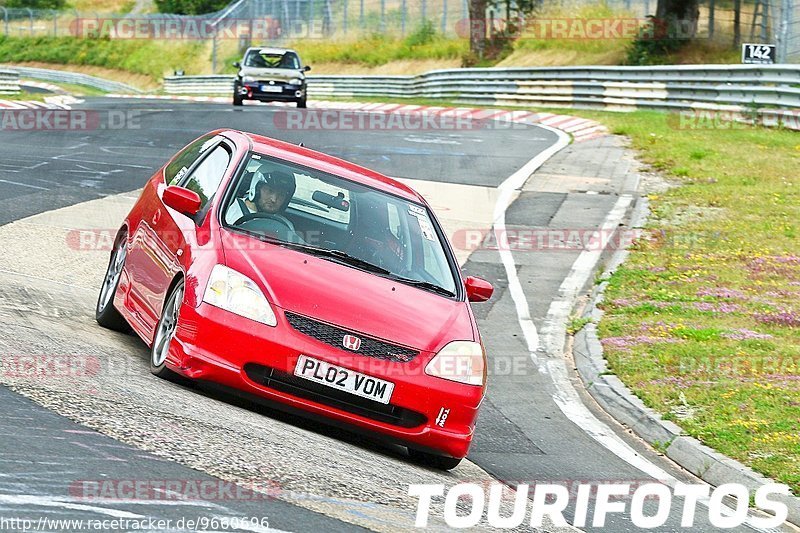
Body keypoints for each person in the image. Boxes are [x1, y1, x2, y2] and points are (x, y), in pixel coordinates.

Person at [226, 167, 297, 231]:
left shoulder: (285, 226)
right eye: (270, 191)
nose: (274, 199)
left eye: (281, 195)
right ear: (256, 189)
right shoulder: (230, 210)